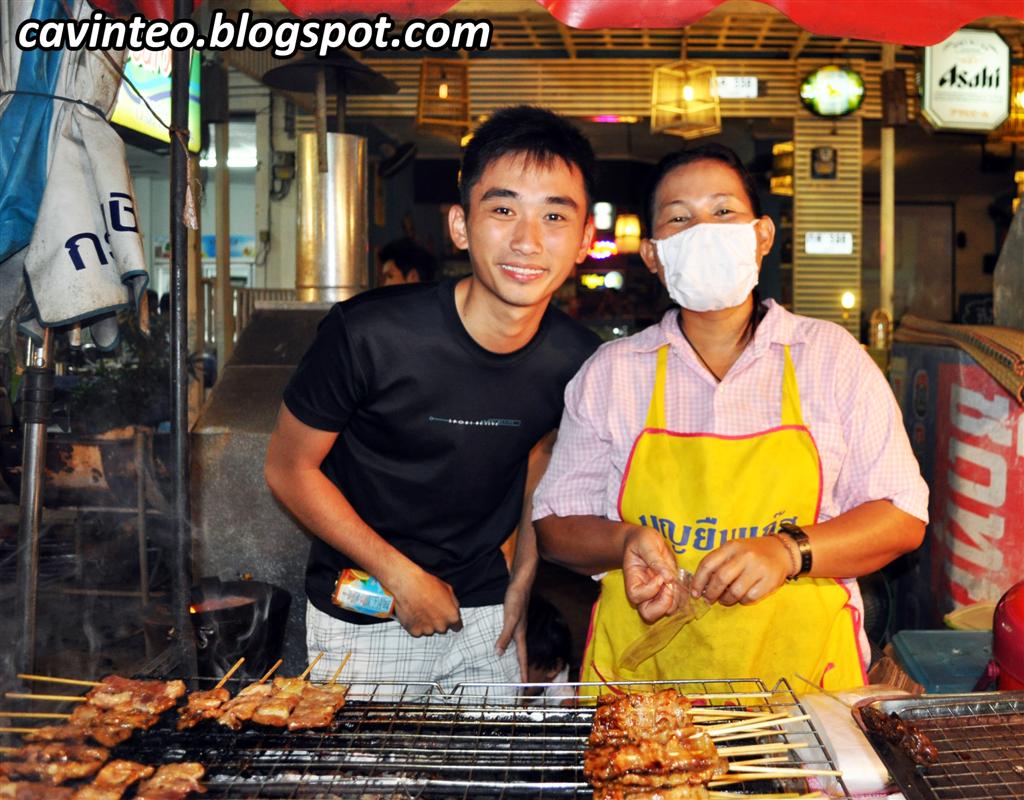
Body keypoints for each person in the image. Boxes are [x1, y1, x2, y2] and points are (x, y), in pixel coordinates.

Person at [533, 144, 928, 693]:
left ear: (761, 235)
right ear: (653, 255)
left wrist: (788, 551)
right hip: (646, 686)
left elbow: (901, 516)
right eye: (679, 219)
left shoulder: (829, 358)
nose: (704, 232)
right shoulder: (612, 372)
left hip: (804, 686)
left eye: (723, 211)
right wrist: (624, 540)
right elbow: (555, 527)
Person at [264, 106, 601, 690]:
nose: (527, 241)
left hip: (486, 612)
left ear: (584, 240)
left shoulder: (577, 358)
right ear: (461, 226)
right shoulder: (368, 333)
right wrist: (400, 577)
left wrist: (521, 580)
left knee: (484, 756)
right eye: (503, 210)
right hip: (366, 607)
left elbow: (540, 454)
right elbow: (288, 468)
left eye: (554, 216)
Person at [522, 595, 574, 704]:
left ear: (552, 669)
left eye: (519, 667)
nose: (509, 674)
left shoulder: (560, 691)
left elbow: (568, 705)